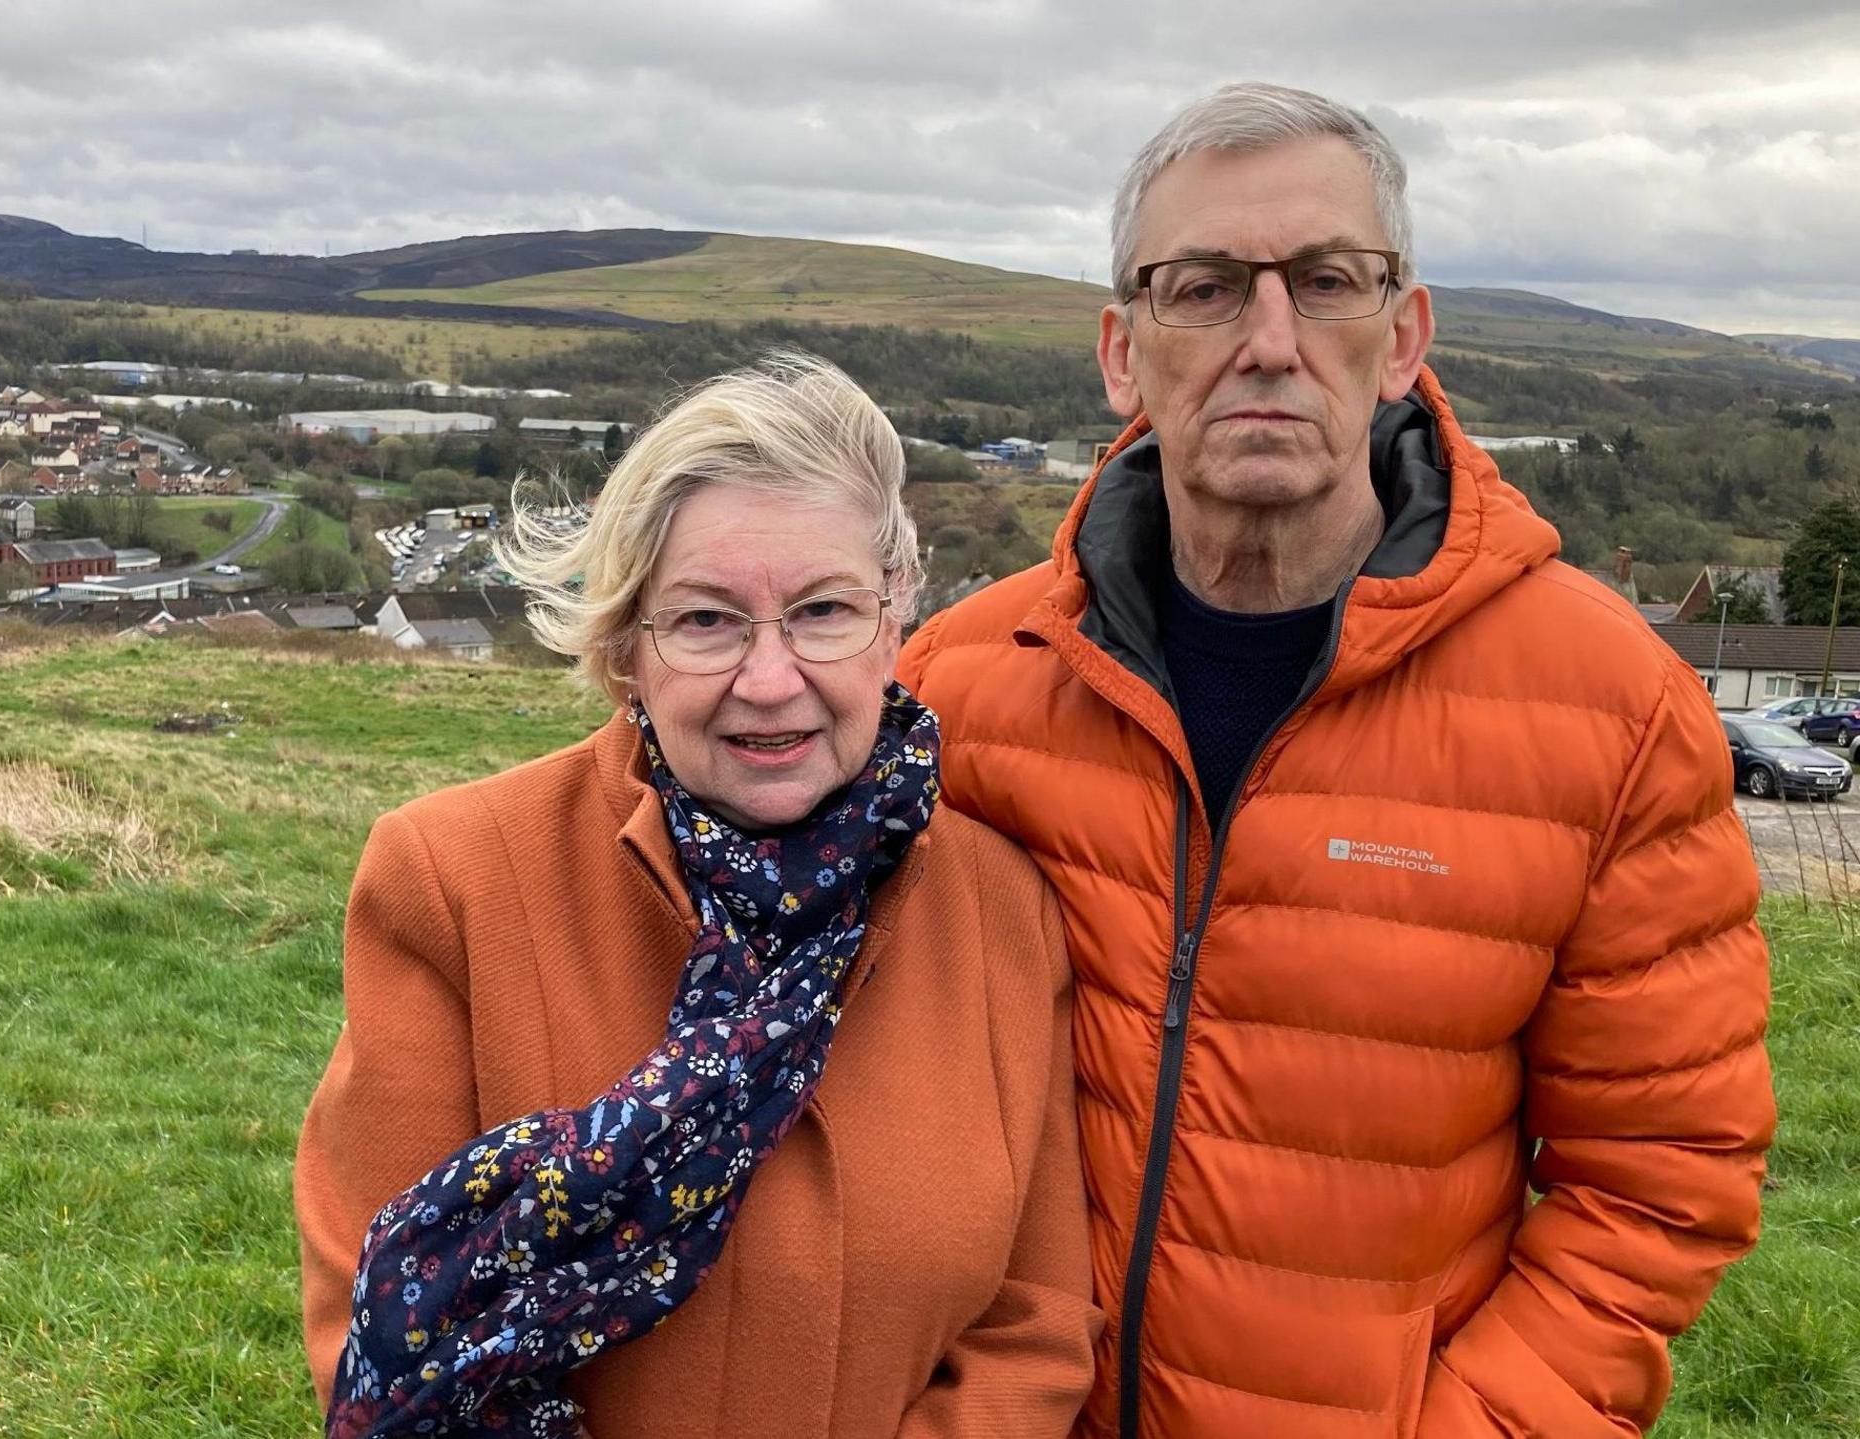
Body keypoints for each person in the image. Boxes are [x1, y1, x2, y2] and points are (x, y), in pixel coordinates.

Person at [899, 83, 1774, 1438]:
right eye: (1201, 287)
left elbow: (1661, 1178)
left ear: (1404, 336)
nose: (1267, 341)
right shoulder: (960, 684)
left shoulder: (1610, 707)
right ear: (1123, 353)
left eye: (1325, 281)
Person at [296, 354, 1098, 1438]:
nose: (769, 679)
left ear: (896, 614)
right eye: (707, 621)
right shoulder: (452, 879)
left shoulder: (1004, 911)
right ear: (628, 644)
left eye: (822, 610)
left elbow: (1034, 1331)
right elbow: (388, 1317)